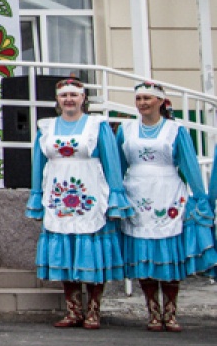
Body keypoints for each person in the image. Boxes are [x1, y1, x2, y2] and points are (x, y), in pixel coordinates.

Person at [26, 78, 130, 331]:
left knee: (91, 252)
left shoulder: (97, 126)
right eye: (64, 95)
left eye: (74, 95)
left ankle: (93, 310)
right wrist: (37, 194)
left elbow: (111, 162)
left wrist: (115, 195)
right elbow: (38, 163)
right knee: (65, 249)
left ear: (83, 98)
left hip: (90, 193)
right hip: (58, 194)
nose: (69, 99)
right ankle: (73, 310)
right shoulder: (46, 127)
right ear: (57, 99)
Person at [119, 82, 216, 332]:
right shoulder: (126, 129)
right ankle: (153, 312)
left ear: (161, 101)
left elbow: (189, 164)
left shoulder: (175, 130)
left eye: (148, 98)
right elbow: (118, 166)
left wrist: (201, 197)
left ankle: (170, 312)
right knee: (144, 254)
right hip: (137, 193)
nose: (142, 103)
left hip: (167, 193)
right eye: (139, 98)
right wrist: (114, 195)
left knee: (169, 253)